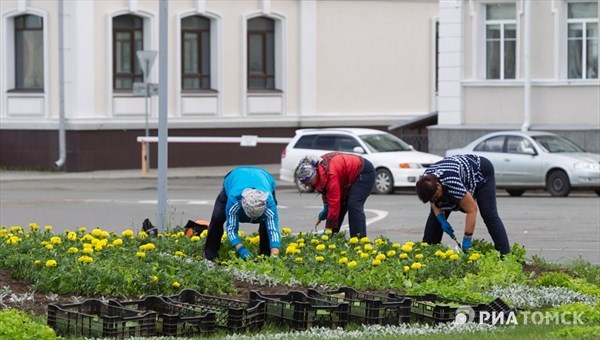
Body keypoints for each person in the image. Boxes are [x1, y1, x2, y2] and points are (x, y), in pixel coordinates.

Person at [415, 154, 510, 254]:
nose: (434, 200)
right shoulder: (426, 181)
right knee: (435, 218)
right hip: (455, 173)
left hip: (481, 171)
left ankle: (505, 255)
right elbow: (433, 202)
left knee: (489, 215)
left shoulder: (452, 183)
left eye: (434, 197)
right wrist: (441, 219)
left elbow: (472, 209)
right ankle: (427, 254)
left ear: (438, 187)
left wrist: (467, 239)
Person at [203, 166, 280, 261]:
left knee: (266, 222)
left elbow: (273, 230)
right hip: (235, 178)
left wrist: (275, 255)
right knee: (217, 218)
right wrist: (241, 249)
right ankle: (210, 256)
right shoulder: (234, 201)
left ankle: (266, 255)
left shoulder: (269, 203)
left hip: (264, 177)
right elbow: (231, 229)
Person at [295, 152, 375, 238]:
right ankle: (332, 240)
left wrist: (328, 229)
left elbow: (334, 202)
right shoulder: (321, 172)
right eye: (305, 183)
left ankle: (359, 241)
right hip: (346, 176)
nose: (307, 185)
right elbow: (326, 192)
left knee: (353, 205)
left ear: (315, 173)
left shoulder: (330, 174)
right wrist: (326, 208)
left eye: (309, 182)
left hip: (363, 172)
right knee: (341, 205)